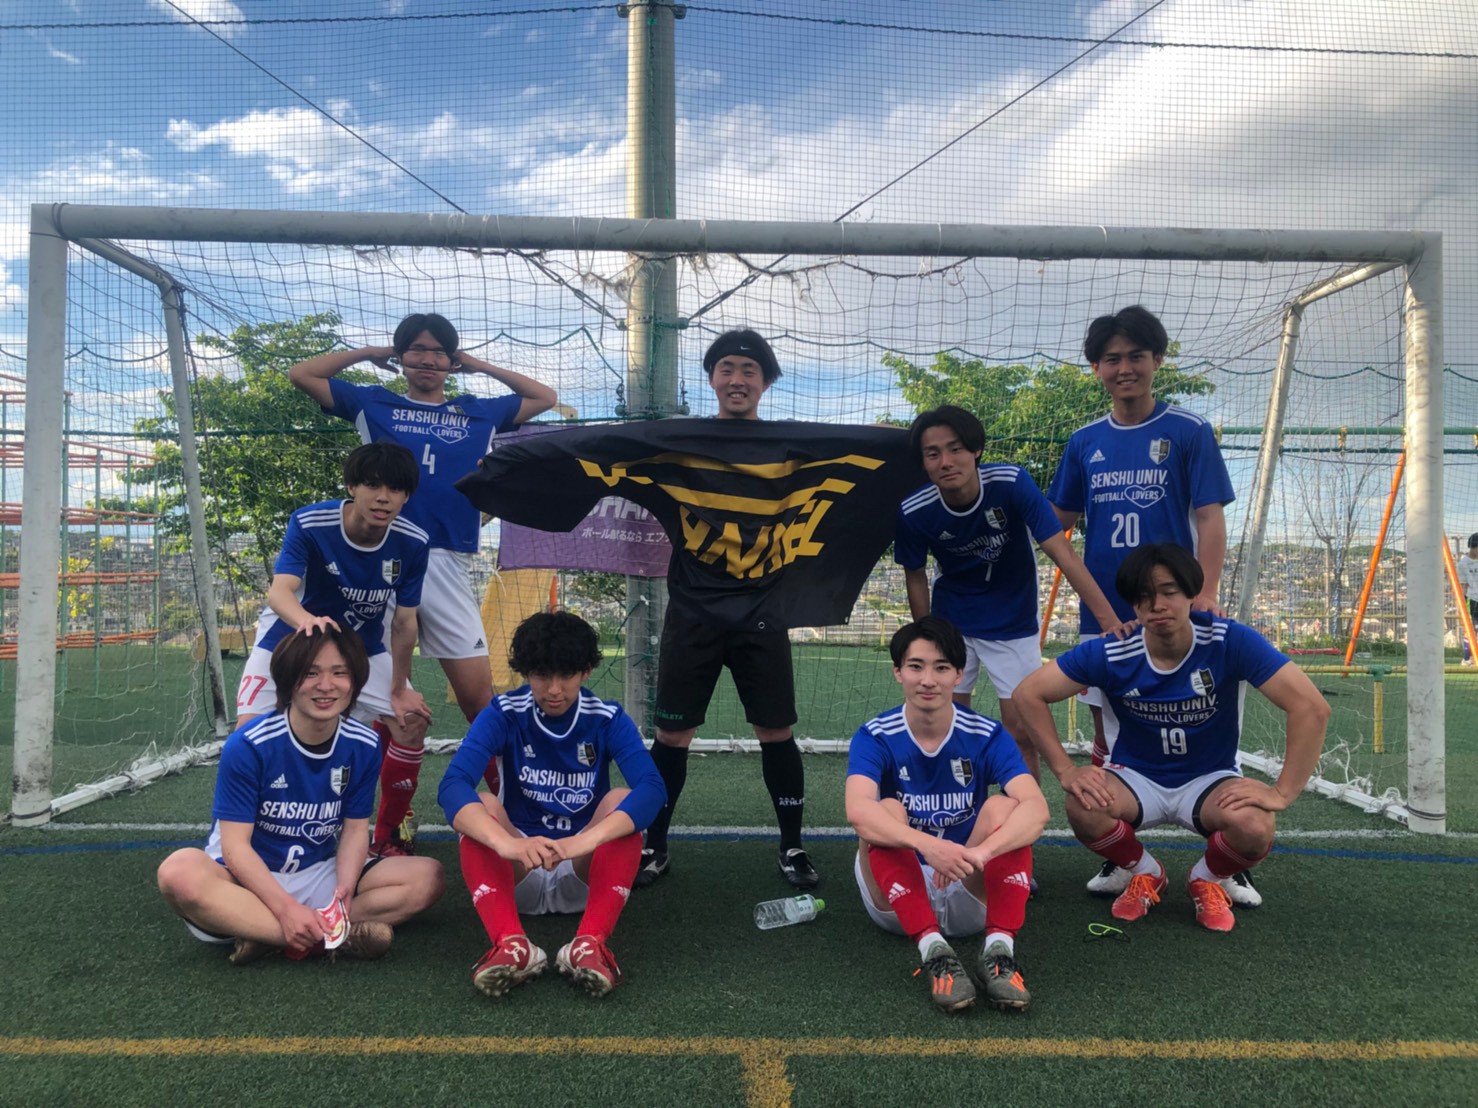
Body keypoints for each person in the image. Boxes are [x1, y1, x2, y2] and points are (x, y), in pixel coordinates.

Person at [289, 312, 558, 823]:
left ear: (451, 360)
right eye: (416, 349)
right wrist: (370, 354)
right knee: (377, 705)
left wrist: (475, 364)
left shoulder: (478, 412)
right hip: (375, 565)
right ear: (401, 356)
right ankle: (387, 822)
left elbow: (543, 395)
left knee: (479, 699)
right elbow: (302, 373)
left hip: (445, 560)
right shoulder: (373, 402)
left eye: (439, 352)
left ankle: (516, 809)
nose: (427, 359)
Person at [1012, 544, 1330, 933]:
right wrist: (1065, 770)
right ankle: (1146, 873)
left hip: (1209, 778)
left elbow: (1311, 708)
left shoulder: (1228, 640)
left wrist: (1282, 793)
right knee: (1084, 805)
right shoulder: (1115, 650)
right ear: (1133, 604)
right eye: (1144, 596)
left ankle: (1207, 879)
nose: (1157, 605)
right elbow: (1028, 694)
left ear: (1191, 593)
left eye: (1169, 591)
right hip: (1137, 776)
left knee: (1255, 825)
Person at [1044, 305, 1241, 901]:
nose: (1124, 368)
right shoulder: (1084, 442)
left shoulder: (1188, 430)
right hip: (1104, 612)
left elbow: (1209, 517)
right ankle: (1124, 858)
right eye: (1112, 359)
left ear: (1157, 361)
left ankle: (1229, 859)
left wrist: (1204, 593)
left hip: (1174, 611)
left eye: (1136, 356)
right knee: (1110, 732)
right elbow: (1056, 524)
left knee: (1203, 717)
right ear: (1096, 369)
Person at [636, 329, 818, 890]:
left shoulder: (787, 447)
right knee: (672, 737)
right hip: (693, 612)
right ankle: (654, 844)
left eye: (749, 370)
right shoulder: (683, 441)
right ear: (712, 378)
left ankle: (792, 845)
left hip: (762, 612)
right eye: (726, 369)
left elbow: (846, 464)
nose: (737, 380)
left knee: (776, 731)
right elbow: (619, 455)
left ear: (766, 382)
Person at [157, 627, 445, 964]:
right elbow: (235, 848)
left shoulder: (363, 744)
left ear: (355, 682)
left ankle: (265, 933)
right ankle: (325, 936)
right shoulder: (249, 745)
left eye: (340, 673)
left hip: (315, 871)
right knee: (179, 873)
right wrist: (285, 908)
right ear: (288, 680)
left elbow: (355, 830)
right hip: (244, 880)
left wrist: (345, 889)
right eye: (311, 673)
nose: (326, 685)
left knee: (427, 878)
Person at [438, 611, 665, 999]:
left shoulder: (606, 717)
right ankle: (512, 944)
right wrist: (508, 844)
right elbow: (451, 786)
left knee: (622, 801)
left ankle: (589, 944)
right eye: (542, 675)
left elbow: (653, 789)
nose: (554, 689)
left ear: (586, 671)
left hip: (581, 870)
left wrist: (584, 842)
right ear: (526, 673)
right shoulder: (504, 713)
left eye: (567, 675)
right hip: (518, 871)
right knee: (482, 805)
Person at [896, 404, 1123, 779]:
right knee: (946, 726)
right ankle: (956, 807)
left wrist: (1109, 621)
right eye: (932, 454)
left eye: (955, 449)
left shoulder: (1011, 482)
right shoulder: (914, 510)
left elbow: (1062, 552)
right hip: (951, 622)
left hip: (1012, 620)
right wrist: (926, 635)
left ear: (976, 450)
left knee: (1021, 730)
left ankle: (1023, 811)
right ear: (923, 462)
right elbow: (915, 574)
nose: (946, 461)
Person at [234, 441, 433, 857]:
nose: (383, 498)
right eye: (372, 486)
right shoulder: (310, 522)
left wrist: (399, 687)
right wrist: (307, 623)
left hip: (361, 647)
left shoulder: (413, 542)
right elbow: (280, 592)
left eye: (395, 489)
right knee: (249, 734)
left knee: (411, 720)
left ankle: (387, 835)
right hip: (289, 638)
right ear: (351, 487)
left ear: (407, 496)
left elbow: (404, 622)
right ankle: (241, 840)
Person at [846, 616, 1048, 1013]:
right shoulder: (875, 734)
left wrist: (981, 853)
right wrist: (928, 846)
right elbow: (857, 811)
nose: (928, 680)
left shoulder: (986, 733)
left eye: (941, 668)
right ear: (898, 672)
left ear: (958, 674)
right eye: (916, 666)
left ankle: (999, 952)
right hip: (896, 896)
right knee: (885, 811)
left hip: (966, 881)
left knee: (1006, 807)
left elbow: (1037, 809)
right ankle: (934, 952)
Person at [1458, 533, 1478, 664]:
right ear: (1473, 547)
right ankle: (1466, 659)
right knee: (1472, 629)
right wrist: (1462, 605)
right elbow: (1463, 585)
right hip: (1473, 599)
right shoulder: (1463, 563)